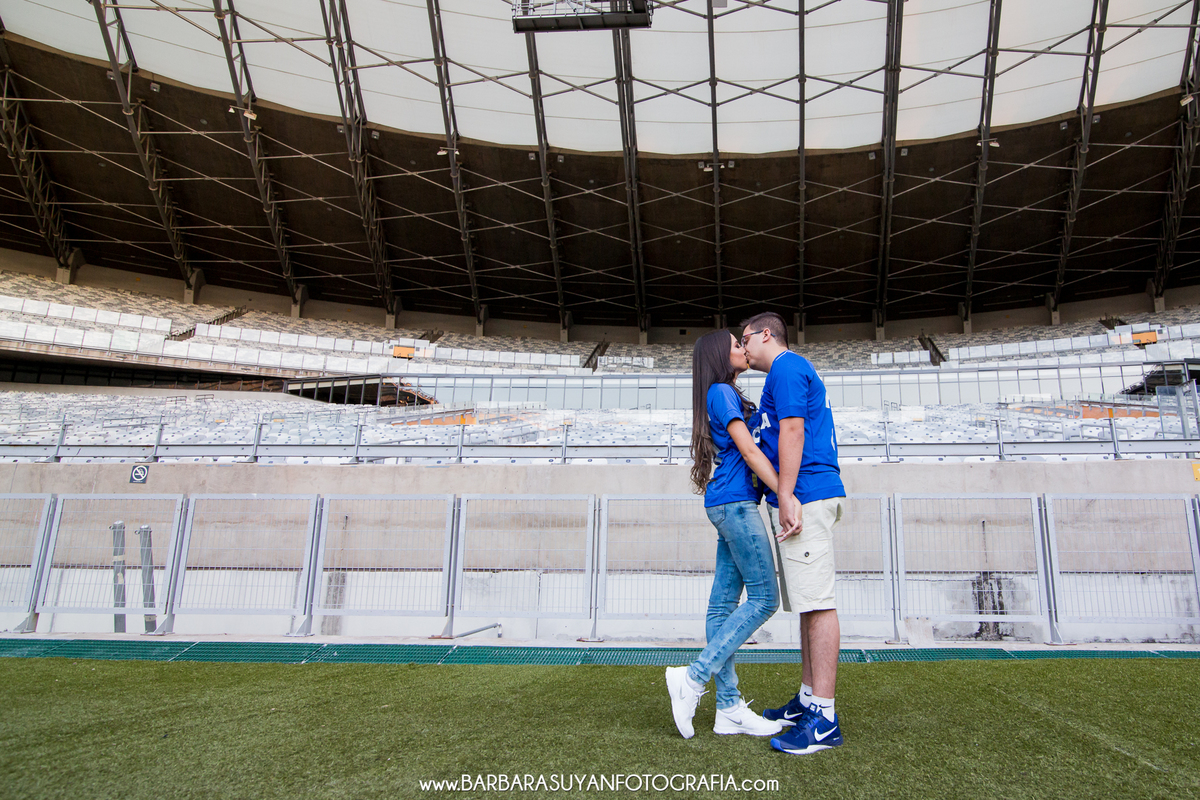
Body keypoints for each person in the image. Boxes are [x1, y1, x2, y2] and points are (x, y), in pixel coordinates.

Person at [665, 329, 795, 740]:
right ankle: (694, 676)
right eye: (736, 345)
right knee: (764, 599)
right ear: (721, 355)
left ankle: (729, 709)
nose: (742, 348)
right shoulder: (720, 391)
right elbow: (750, 451)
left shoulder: (728, 392)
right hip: (735, 504)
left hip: (730, 503)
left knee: (722, 608)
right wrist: (785, 495)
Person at [740, 312, 847, 755]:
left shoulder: (786, 366)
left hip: (805, 493)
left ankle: (824, 716)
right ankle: (808, 700)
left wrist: (785, 494)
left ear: (767, 334)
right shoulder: (785, 372)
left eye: (745, 338)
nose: (742, 347)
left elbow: (793, 428)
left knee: (818, 602)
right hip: (804, 492)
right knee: (807, 601)